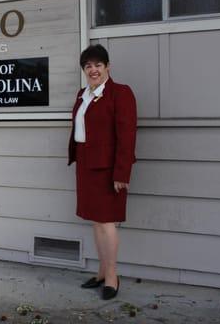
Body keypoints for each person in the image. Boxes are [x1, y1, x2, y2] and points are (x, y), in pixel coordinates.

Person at [67, 44, 137, 300]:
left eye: (98, 65)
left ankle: (112, 276)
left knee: (107, 223)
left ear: (108, 66)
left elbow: (126, 136)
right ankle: (101, 271)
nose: (93, 70)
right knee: (96, 222)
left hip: (108, 169)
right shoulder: (82, 94)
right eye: (88, 66)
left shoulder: (120, 93)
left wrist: (122, 173)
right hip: (86, 165)